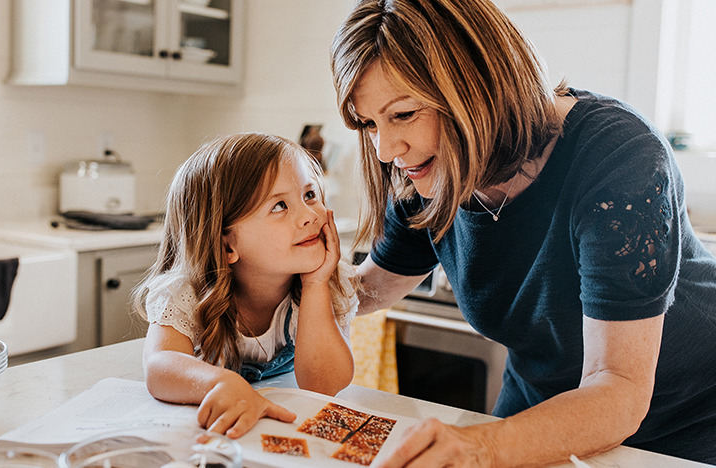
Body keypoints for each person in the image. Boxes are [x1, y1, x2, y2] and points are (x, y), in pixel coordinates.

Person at [330, 0, 716, 466]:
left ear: (476, 85)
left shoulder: (620, 158)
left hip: (685, 417)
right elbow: (368, 290)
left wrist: (482, 447)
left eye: (405, 114)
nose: (387, 149)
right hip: (545, 399)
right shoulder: (425, 172)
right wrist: (285, 278)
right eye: (369, 123)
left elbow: (618, 386)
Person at [134, 132, 357, 439]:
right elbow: (160, 367)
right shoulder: (187, 293)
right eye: (279, 206)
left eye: (309, 195)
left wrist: (316, 284)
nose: (310, 215)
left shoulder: (329, 284)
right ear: (227, 247)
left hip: (285, 425)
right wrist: (219, 383)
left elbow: (324, 386)